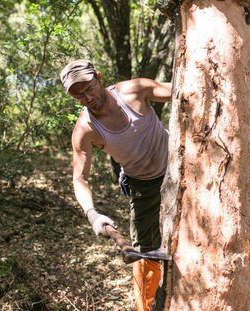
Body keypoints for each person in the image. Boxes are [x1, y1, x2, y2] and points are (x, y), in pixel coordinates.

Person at [60, 59, 171, 310]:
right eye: (79, 96)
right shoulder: (85, 129)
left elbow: (184, 91)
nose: (86, 97)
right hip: (143, 184)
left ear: (99, 77)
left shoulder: (134, 90)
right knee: (144, 253)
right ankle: (148, 306)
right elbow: (79, 178)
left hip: (179, 166)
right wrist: (93, 215)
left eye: (89, 88)